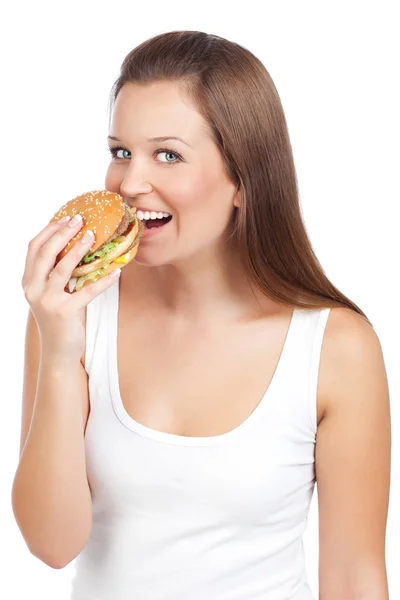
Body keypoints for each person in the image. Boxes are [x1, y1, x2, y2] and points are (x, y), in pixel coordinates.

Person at [12, 30, 391, 600]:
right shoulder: (73, 317)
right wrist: (61, 350)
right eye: (120, 152)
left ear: (243, 178)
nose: (130, 183)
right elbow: (51, 544)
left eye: (168, 154)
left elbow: (354, 577)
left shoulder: (335, 347)